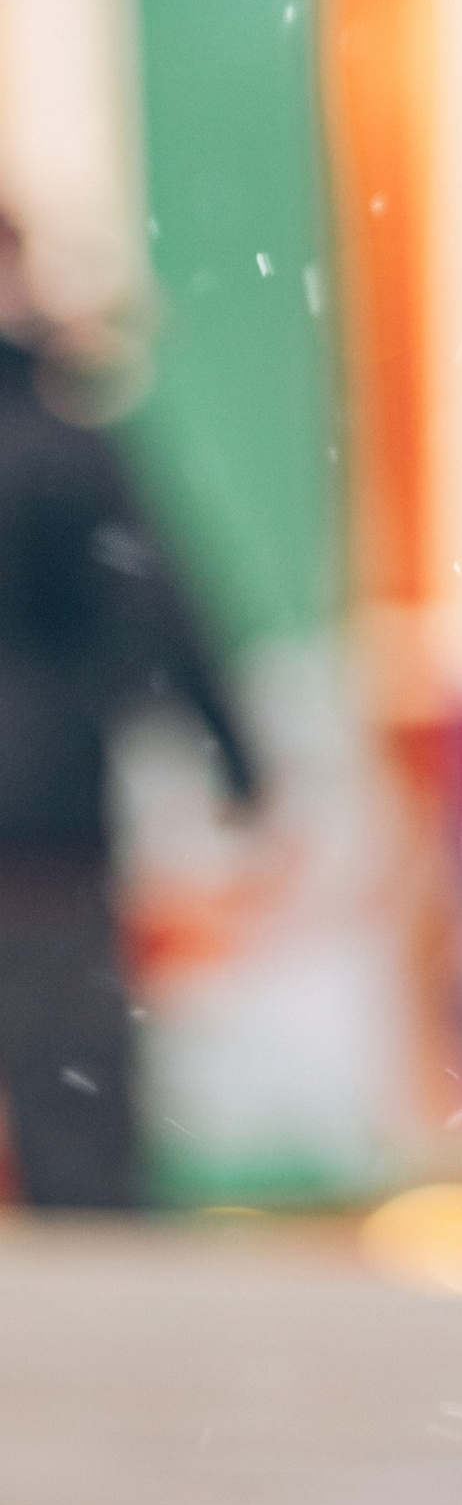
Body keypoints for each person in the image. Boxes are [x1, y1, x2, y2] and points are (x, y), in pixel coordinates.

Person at [0, 224, 260, 1209]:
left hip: (40, 815)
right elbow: (153, 608)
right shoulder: (57, 437)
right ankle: (92, 1310)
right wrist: (236, 756)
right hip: (43, 820)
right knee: (75, 1112)